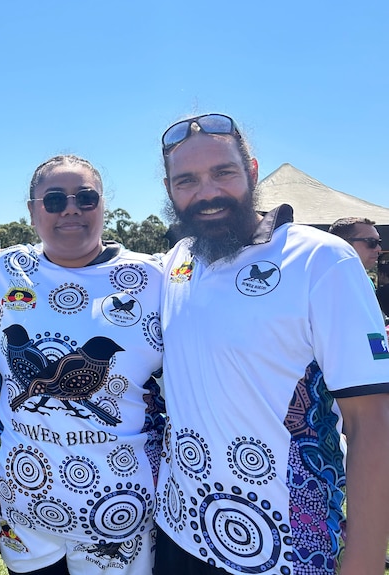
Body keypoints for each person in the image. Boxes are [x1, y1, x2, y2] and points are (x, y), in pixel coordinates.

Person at [153, 113, 389, 575]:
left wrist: (363, 559)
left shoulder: (319, 259)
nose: (207, 192)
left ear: (253, 172)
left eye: (223, 172)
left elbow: (373, 419)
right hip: (179, 530)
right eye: (187, 180)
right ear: (169, 189)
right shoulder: (178, 260)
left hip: (286, 546)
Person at [0, 155, 165, 574]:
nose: (71, 208)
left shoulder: (154, 279)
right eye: (54, 199)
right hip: (25, 509)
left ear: (103, 206)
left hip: (119, 511)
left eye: (85, 197)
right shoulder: (0, 272)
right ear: (31, 211)